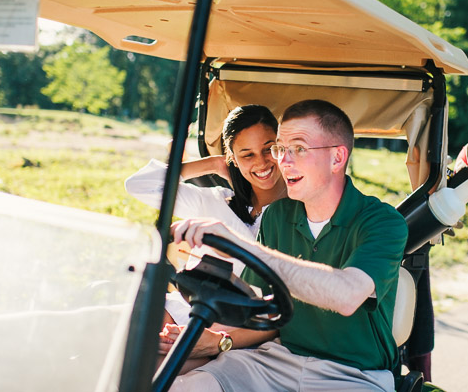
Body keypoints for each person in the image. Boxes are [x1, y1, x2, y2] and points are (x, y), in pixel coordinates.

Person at [169, 99, 408, 391]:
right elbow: (266, 313)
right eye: (281, 149)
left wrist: (242, 245)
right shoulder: (277, 217)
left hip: (353, 375)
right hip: (276, 361)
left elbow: (347, 295)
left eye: (299, 148)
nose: (283, 161)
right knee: (183, 384)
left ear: (337, 158)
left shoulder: (382, 222)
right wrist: (205, 337)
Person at [124, 104, 287, 371]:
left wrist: (215, 338)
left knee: (143, 369)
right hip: (186, 310)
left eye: (269, 149)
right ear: (232, 158)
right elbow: (139, 185)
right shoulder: (216, 200)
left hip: (236, 329)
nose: (261, 162)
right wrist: (213, 164)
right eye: (246, 154)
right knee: (108, 339)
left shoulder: (299, 214)